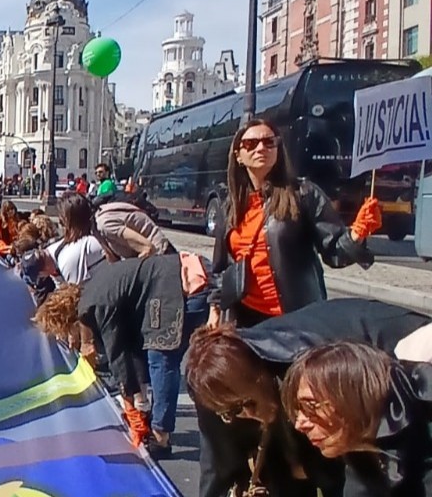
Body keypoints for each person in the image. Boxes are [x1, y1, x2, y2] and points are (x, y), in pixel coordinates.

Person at [186, 298, 432, 497]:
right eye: (232, 412)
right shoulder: (215, 383)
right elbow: (217, 463)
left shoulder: (310, 365)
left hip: (397, 356)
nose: (247, 415)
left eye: (248, 404)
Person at [209, 118, 381, 329]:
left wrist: (358, 232)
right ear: (239, 156)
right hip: (245, 321)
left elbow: (335, 251)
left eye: (269, 142)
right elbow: (220, 268)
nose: (261, 148)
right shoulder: (231, 206)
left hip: (296, 319)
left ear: (278, 149)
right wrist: (215, 311)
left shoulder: (304, 194)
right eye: (251, 144)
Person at [35, 252, 211, 457]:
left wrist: (131, 408)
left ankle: (161, 437)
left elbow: (118, 356)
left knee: (161, 358)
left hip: (183, 285)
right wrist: (138, 401)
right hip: (185, 274)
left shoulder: (93, 306)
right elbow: (131, 349)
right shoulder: (94, 289)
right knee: (156, 354)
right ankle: (157, 423)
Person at [283, 341, 432, 497]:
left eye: (311, 407)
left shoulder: (424, 436)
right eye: (297, 410)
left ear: (353, 397)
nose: (299, 424)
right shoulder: (361, 456)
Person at [94, 198, 173, 260]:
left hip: (161, 255)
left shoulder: (104, 224)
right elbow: (113, 260)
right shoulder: (96, 227)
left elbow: (147, 248)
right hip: (154, 257)